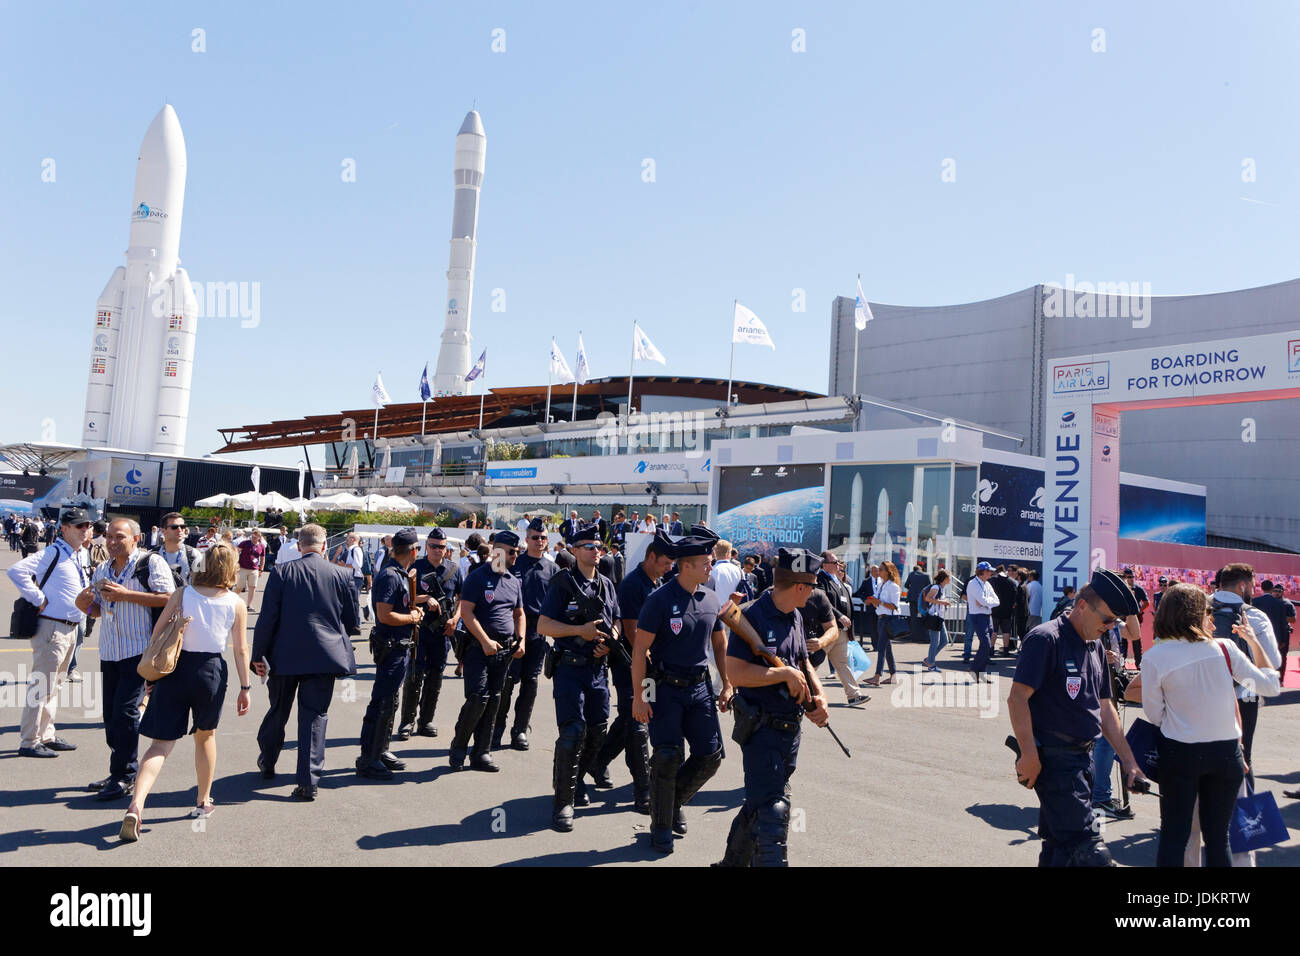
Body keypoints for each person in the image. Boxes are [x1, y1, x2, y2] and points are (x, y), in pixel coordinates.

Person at [1007, 568, 1145, 866]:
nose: (1110, 627)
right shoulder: (1046, 639)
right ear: (1082, 605)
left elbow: (1105, 707)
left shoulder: (1094, 644)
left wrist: (1129, 762)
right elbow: (1017, 698)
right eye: (1107, 619)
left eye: (1115, 622)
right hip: (1056, 764)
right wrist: (1028, 754)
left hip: (1084, 762)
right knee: (1090, 853)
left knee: (1060, 850)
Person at [1141, 583, 1281, 866]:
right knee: (1219, 839)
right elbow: (1270, 686)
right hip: (1226, 754)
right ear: (1195, 615)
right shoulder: (1225, 649)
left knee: (1173, 836)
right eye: (1208, 612)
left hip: (1180, 754)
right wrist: (1253, 641)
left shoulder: (1154, 657)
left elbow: (1154, 714)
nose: (1212, 620)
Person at [120, 542, 251, 840]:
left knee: (160, 745)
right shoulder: (235, 603)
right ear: (231, 569)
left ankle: (136, 805)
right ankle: (203, 801)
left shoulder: (182, 594)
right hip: (211, 672)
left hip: (175, 667)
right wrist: (245, 687)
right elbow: (241, 649)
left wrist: (151, 671)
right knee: (205, 736)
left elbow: (158, 633)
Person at [716, 548, 830, 866]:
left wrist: (817, 696)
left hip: (790, 729)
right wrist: (782, 673)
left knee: (760, 804)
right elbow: (735, 672)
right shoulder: (752, 616)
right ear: (799, 587)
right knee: (774, 810)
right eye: (812, 586)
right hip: (762, 728)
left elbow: (803, 662)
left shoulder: (793, 614)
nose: (814, 592)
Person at [631, 526, 734, 854]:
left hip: (699, 687)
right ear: (686, 565)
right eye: (706, 563)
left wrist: (727, 682)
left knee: (710, 756)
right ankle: (661, 825)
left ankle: (671, 803)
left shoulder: (711, 597)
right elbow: (639, 653)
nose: (710, 568)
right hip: (664, 689)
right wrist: (639, 696)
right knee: (667, 756)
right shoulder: (659, 600)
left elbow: (719, 642)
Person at [251, 524, 358, 800]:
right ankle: (308, 780)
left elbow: (267, 618)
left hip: (284, 654)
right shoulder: (342, 574)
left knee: (278, 710)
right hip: (324, 655)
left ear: (299, 546)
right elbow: (353, 621)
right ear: (325, 547)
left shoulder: (282, 572)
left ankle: (268, 759)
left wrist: (257, 656)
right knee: (314, 717)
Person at [75, 519, 176, 801]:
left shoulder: (150, 563)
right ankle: (117, 769)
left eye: (119, 536)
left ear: (136, 538)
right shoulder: (103, 568)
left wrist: (126, 594)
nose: (111, 541)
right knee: (110, 715)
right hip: (110, 650)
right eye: (108, 536)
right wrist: (85, 604)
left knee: (126, 712)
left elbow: (170, 598)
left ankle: (125, 775)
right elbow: (98, 610)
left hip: (139, 651)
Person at [536, 523, 622, 830]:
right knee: (573, 732)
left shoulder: (606, 584)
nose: (596, 551)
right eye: (589, 546)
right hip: (570, 668)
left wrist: (608, 641)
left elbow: (617, 621)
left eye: (598, 546)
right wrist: (579, 631)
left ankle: (575, 781)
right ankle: (563, 803)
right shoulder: (563, 583)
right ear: (574, 550)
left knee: (598, 732)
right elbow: (544, 625)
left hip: (598, 670)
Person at [587, 534, 674, 813]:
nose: (668, 568)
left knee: (631, 719)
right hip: (630, 666)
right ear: (651, 557)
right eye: (664, 563)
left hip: (649, 669)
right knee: (638, 725)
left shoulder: (655, 582)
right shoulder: (633, 585)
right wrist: (647, 660)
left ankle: (598, 760)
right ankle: (643, 791)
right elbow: (632, 629)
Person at [9, 508, 92, 758]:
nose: (84, 530)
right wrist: (37, 597)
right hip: (52, 626)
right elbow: (16, 571)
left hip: (70, 627)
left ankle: (46, 734)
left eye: (87, 526)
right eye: (79, 526)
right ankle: (29, 741)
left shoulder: (80, 554)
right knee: (41, 685)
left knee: (54, 685)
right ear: (64, 529)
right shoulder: (53, 552)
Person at [450, 531, 525, 772]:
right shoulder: (478, 577)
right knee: (477, 699)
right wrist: (484, 641)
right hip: (478, 647)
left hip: (504, 649)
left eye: (517, 552)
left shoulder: (513, 582)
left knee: (494, 700)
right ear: (497, 551)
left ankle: (482, 752)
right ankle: (459, 748)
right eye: (512, 552)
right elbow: (467, 612)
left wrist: (520, 640)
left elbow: (519, 614)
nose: (516, 556)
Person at [355, 529, 424, 780]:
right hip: (392, 646)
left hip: (400, 646)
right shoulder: (390, 576)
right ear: (414, 551)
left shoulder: (401, 574)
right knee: (382, 702)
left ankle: (380, 750)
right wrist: (413, 616)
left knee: (390, 701)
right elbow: (385, 615)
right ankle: (368, 758)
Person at [1210, 563, 1281, 788]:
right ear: (1242, 585)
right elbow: (1274, 662)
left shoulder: (1200, 608)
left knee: (1204, 750)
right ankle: (1244, 817)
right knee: (1242, 755)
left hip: (1205, 690)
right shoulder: (1254, 616)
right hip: (1245, 692)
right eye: (1252, 584)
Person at [492, 519, 555, 751]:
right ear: (527, 539)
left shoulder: (553, 569)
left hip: (538, 632)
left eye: (543, 537)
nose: (540, 541)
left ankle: (519, 730)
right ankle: (496, 728)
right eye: (535, 537)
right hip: (511, 629)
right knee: (507, 682)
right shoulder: (514, 562)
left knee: (530, 683)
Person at [396, 528, 462, 740]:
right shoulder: (415, 567)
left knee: (435, 677)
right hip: (419, 631)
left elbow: (463, 599)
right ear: (426, 546)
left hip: (443, 632)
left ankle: (426, 721)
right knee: (414, 675)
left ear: (446, 548)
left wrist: (455, 619)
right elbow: (404, 597)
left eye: (441, 546)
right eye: (433, 546)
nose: (437, 550)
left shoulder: (453, 569)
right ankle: (407, 721)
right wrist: (425, 599)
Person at [815, 551, 870, 705]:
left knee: (843, 664)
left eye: (838, 562)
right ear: (824, 564)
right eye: (834, 562)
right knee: (813, 662)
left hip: (841, 632)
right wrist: (839, 615)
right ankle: (795, 690)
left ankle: (854, 695)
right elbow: (823, 602)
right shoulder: (821, 579)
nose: (838, 564)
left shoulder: (837, 580)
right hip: (827, 630)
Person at [864, 561, 902, 686]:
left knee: (881, 648)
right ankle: (893, 675)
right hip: (880, 618)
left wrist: (879, 602)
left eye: (881, 569)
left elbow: (894, 606)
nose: (878, 571)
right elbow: (878, 601)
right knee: (887, 648)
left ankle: (877, 676)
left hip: (888, 619)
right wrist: (872, 601)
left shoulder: (893, 587)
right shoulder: (881, 584)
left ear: (887, 571)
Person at [1254, 581, 1294, 688]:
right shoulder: (1280, 604)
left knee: (1259, 657)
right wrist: (1282, 640)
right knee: (1279, 658)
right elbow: (1282, 623)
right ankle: (1278, 681)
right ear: (1272, 589)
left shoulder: (1254, 601)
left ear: (1261, 588)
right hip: (1277, 637)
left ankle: (1262, 680)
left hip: (1258, 636)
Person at [965, 562, 1000, 681]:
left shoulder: (987, 584)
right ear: (983, 572)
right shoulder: (973, 584)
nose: (991, 573)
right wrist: (986, 603)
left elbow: (996, 601)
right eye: (989, 571)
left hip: (986, 615)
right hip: (977, 616)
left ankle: (980, 672)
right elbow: (983, 600)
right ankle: (974, 669)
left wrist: (985, 603)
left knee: (987, 645)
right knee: (985, 643)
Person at [152, 513, 200, 587]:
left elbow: (203, 584)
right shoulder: (152, 555)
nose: (179, 530)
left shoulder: (195, 554)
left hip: (185, 597)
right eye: (174, 527)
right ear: (163, 531)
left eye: (183, 526)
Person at [920, 570, 954, 671]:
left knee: (944, 641)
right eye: (949, 577)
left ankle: (929, 659)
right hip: (934, 617)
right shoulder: (936, 587)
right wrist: (943, 602)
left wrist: (944, 602)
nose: (950, 579)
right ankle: (931, 664)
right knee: (935, 642)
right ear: (945, 579)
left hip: (939, 618)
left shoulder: (941, 588)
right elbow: (928, 598)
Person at [1120, 568, 1150, 667]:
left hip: (1135, 618)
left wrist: (1139, 611)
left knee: (1136, 641)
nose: (1132, 579)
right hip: (1123, 618)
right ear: (1124, 578)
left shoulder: (1138, 589)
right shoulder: (1121, 589)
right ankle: (1122, 664)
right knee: (1122, 642)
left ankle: (1139, 664)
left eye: (1133, 577)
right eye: (1129, 577)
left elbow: (1147, 602)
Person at [337, 533, 366, 634]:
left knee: (354, 601)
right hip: (353, 577)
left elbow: (357, 565)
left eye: (348, 538)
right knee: (352, 601)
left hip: (355, 578)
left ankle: (356, 625)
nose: (346, 540)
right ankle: (354, 624)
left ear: (353, 539)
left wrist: (344, 565)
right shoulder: (352, 549)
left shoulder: (356, 549)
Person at [989, 565, 1019, 656]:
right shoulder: (1012, 582)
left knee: (994, 630)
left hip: (994, 609)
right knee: (1006, 631)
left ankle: (991, 649)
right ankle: (1006, 650)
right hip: (1007, 610)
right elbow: (1015, 597)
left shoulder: (992, 580)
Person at [235, 529, 267, 610]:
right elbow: (236, 551)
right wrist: (235, 564)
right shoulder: (245, 543)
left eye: (255, 537)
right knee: (239, 587)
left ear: (259, 537)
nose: (253, 538)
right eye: (252, 536)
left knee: (252, 587)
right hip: (242, 568)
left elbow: (263, 558)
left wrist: (261, 569)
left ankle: (248, 605)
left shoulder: (261, 546)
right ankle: (230, 599)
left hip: (254, 570)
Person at [904, 563, 931, 644]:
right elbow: (929, 587)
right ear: (921, 569)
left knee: (913, 619)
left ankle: (914, 637)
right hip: (922, 599)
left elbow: (906, 585)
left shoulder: (911, 574)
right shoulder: (926, 575)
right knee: (925, 617)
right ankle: (926, 637)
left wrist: (912, 589)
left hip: (912, 599)